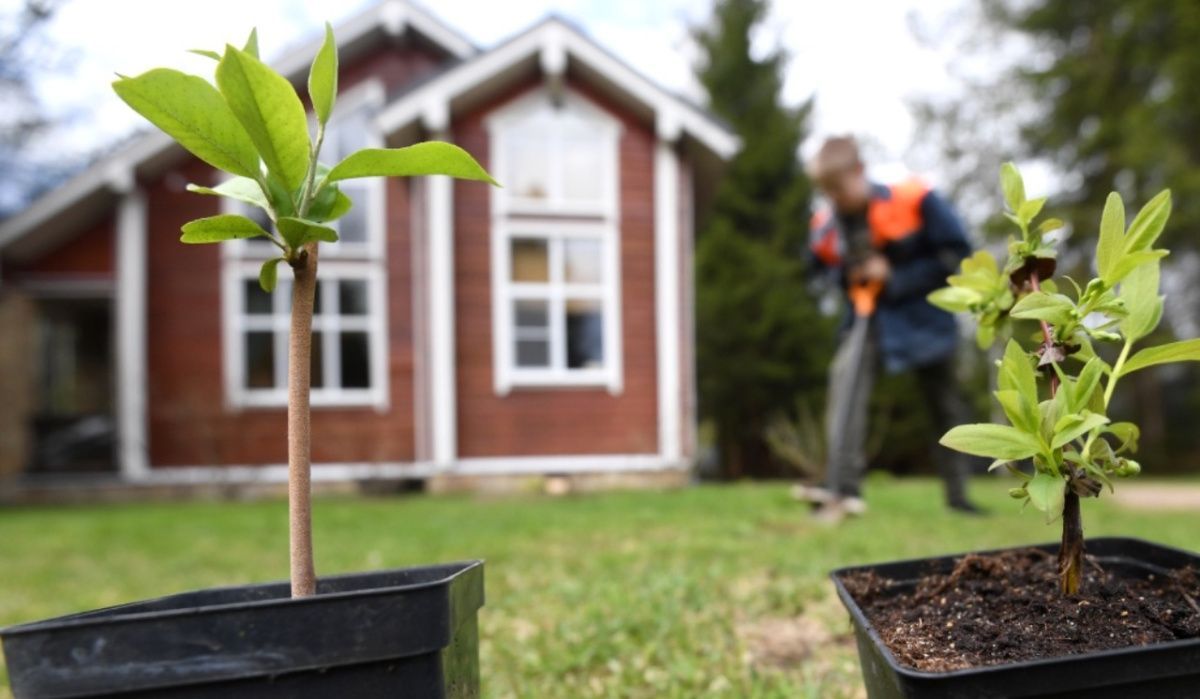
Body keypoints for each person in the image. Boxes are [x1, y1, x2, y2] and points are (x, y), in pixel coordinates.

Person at [801, 135, 982, 520]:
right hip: (868, 318)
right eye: (826, 191)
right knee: (844, 385)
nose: (834, 197)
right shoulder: (827, 226)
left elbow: (956, 255)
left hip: (925, 317)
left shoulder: (914, 200)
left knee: (944, 406)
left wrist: (894, 274)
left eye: (838, 187)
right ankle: (842, 490)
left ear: (859, 171)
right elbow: (818, 270)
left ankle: (958, 496)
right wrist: (845, 274)